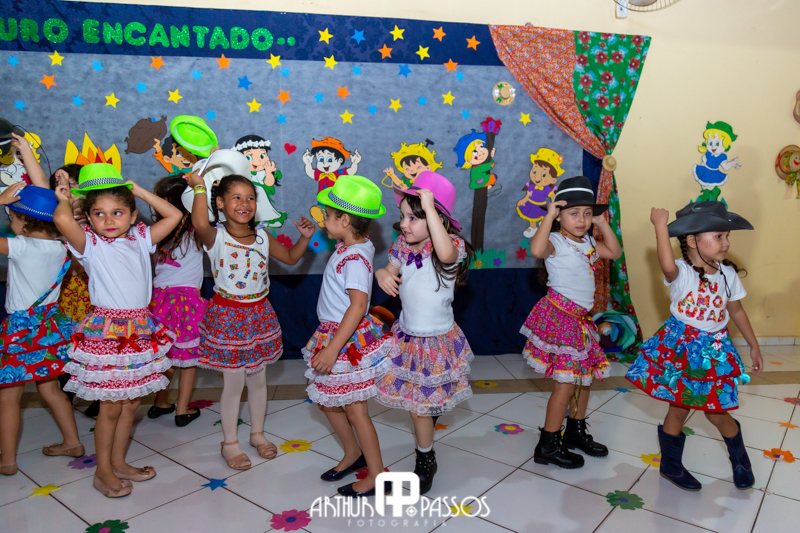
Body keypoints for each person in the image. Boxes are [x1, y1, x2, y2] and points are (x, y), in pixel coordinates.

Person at [55, 163, 182, 497]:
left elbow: (173, 216)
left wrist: (138, 190)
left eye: (118, 212)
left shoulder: (140, 238)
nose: (109, 220)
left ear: (132, 215)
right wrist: (65, 199)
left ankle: (119, 463)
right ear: (89, 217)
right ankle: (103, 472)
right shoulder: (90, 244)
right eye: (99, 214)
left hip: (139, 328)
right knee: (111, 406)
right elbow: (63, 221)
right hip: (109, 332)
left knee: (130, 403)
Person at [626, 201, 762, 491]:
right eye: (718, 236)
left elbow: (737, 311)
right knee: (678, 408)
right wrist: (660, 226)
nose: (726, 242)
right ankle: (671, 466)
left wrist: (753, 345)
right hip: (683, 349)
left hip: (714, 351)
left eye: (727, 236)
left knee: (716, 412)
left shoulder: (727, 275)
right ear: (692, 240)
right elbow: (665, 264)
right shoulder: (681, 272)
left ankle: (740, 460)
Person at [188, 171, 314, 470]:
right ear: (220, 203)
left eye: (250, 198)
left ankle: (257, 434)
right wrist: (199, 188)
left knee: (258, 381)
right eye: (236, 198)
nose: (245, 203)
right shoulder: (215, 236)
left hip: (258, 314)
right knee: (233, 384)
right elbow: (199, 223)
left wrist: (305, 238)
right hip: (228, 317)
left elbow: (290, 258)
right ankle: (229, 443)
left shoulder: (262, 237)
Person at [375, 171, 475, 495]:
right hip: (408, 337)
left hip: (436, 340)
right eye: (402, 216)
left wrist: (430, 208)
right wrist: (381, 274)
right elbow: (389, 269)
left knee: (424, 405)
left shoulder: (451, 246)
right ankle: (426, 453)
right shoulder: (402, 245)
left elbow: (446, 256)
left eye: (412, 218)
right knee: (418, 405)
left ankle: (424, 455)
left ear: (437, 220)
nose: (404, 224)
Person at [523, 176, 622, 469]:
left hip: (581, 321)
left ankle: (575, 432)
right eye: (574, 213)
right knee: (565, 386)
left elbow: (614, 252)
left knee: (584, 380)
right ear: (559, 215)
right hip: (561, 319)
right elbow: (536, 250)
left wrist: (602, 224)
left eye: (587, 213)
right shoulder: (555, 241)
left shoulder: (589, 241)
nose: (582, 220)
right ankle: (547, 444)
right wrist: (549, 217)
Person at [304, 175, 392, 497]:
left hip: (345, 340)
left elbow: (358, 306)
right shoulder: (354, 245)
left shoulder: (354, 258)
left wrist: (332, 349)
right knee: (327, 402)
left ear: (344, 220)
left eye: (327, 216)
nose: (323, 221)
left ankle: (377, 475)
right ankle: (354, 453)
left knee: (356, 411)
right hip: (334, 334)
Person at [0, 183, 84, 476]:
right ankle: (73, 442)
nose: (10, 224)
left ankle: (7, 461)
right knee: (50, 389)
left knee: (9, 396)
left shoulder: (21, 246)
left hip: (21, 330)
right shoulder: (62, 249)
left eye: (11, 218)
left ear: (24, 221)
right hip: (50, 327)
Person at [147, 175, 207, 427]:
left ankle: (161, 402)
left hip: (158, 300)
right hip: (185, 301)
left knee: (166, 354)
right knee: (187, 358)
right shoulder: (198, 230)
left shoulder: (157, 234)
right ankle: (182, 409)